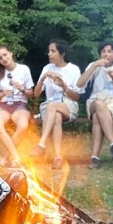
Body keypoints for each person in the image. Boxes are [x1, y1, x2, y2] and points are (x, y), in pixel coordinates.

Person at [76, 42, 113, 169]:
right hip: (95, 101)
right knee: (99, 104)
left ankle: (94, 158)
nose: (106, 54)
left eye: (109, 51)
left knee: (96, 118)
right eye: (103, 51)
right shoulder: (93, 66)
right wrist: (94, 66)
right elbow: (79, 84)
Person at [32, 39, 83, 170]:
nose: (49, 54)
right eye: (49, 51)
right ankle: (58, 157)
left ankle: (41, 144)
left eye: (53, 51)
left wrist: (64, 86)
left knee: (53, 107)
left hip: (68, 104)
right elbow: (36, 94)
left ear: (62, 54)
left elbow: (76, 97)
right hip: (49, 105)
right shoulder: (47, 68)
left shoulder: (73, 69)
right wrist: (43, 78)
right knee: (56, 116)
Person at [0, 45, 34, 168]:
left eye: (5, 55)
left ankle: (6, 157)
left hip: (20, 104)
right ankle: (17, 158)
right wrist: (1, 94)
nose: (4, 59)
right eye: (0, 58)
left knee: (23, 126)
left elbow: (30, 94)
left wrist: (21, 88)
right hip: (3, 105)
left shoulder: (24, 69)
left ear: (11, 53)